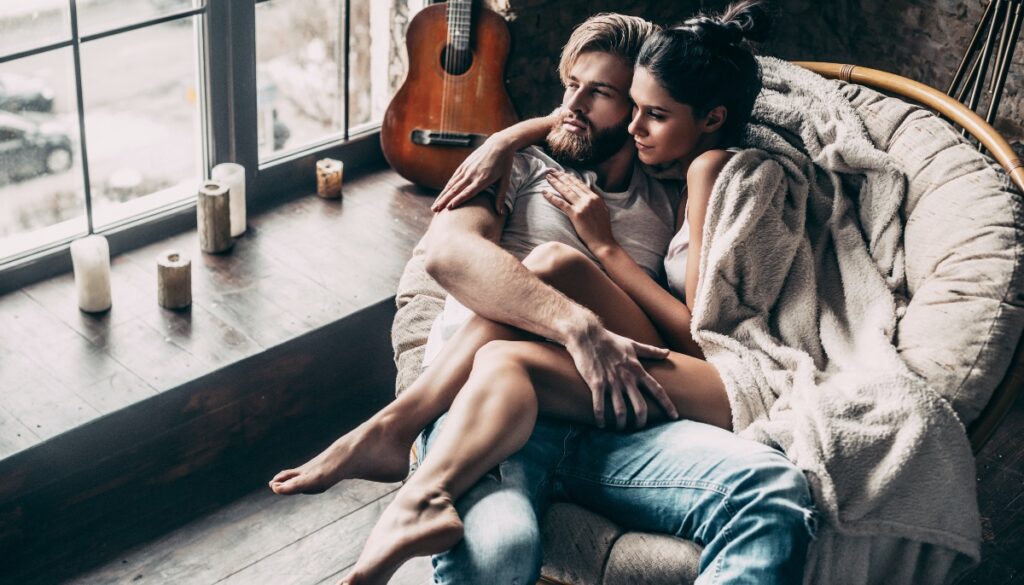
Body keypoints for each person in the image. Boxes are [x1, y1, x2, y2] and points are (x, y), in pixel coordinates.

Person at [272, 4, 817, 584]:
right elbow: (446, 256)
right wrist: (572, 322)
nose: (572, 106)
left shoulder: (672, 192)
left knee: (773, 489)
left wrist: (602, 251)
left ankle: (394, 437)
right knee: (500, 551)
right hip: (479, 402)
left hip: (604, 410)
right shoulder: (513, 166)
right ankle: (399, 432)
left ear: (638, 101)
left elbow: (697, 321)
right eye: (569, 87)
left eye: (600, 93)